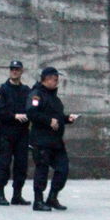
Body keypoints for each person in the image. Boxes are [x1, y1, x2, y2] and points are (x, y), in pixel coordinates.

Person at [26, 67, 79, 211]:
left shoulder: (54, 98)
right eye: (54, 79)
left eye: (57, 79)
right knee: (42, 170)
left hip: (56, 142)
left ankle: (52, 197)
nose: (56, 82)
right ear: (46, 79)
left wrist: (67, 118)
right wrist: (48, 120)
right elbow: (31, 112)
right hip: (41, 141)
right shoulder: (36, 95)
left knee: (63, 169)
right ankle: (38, 201)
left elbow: (58, 117)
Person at [0, 60, 32, 206]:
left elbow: (32, 108)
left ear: (21, 71)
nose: (14, 71)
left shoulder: (26, 90)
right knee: (3, 164)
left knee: (21, 165)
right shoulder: (2, 89)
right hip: (7, 132)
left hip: (22, 133)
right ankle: (0, 195)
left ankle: (17, 195)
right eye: (12, 69)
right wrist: (14, 116)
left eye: (17, 69)